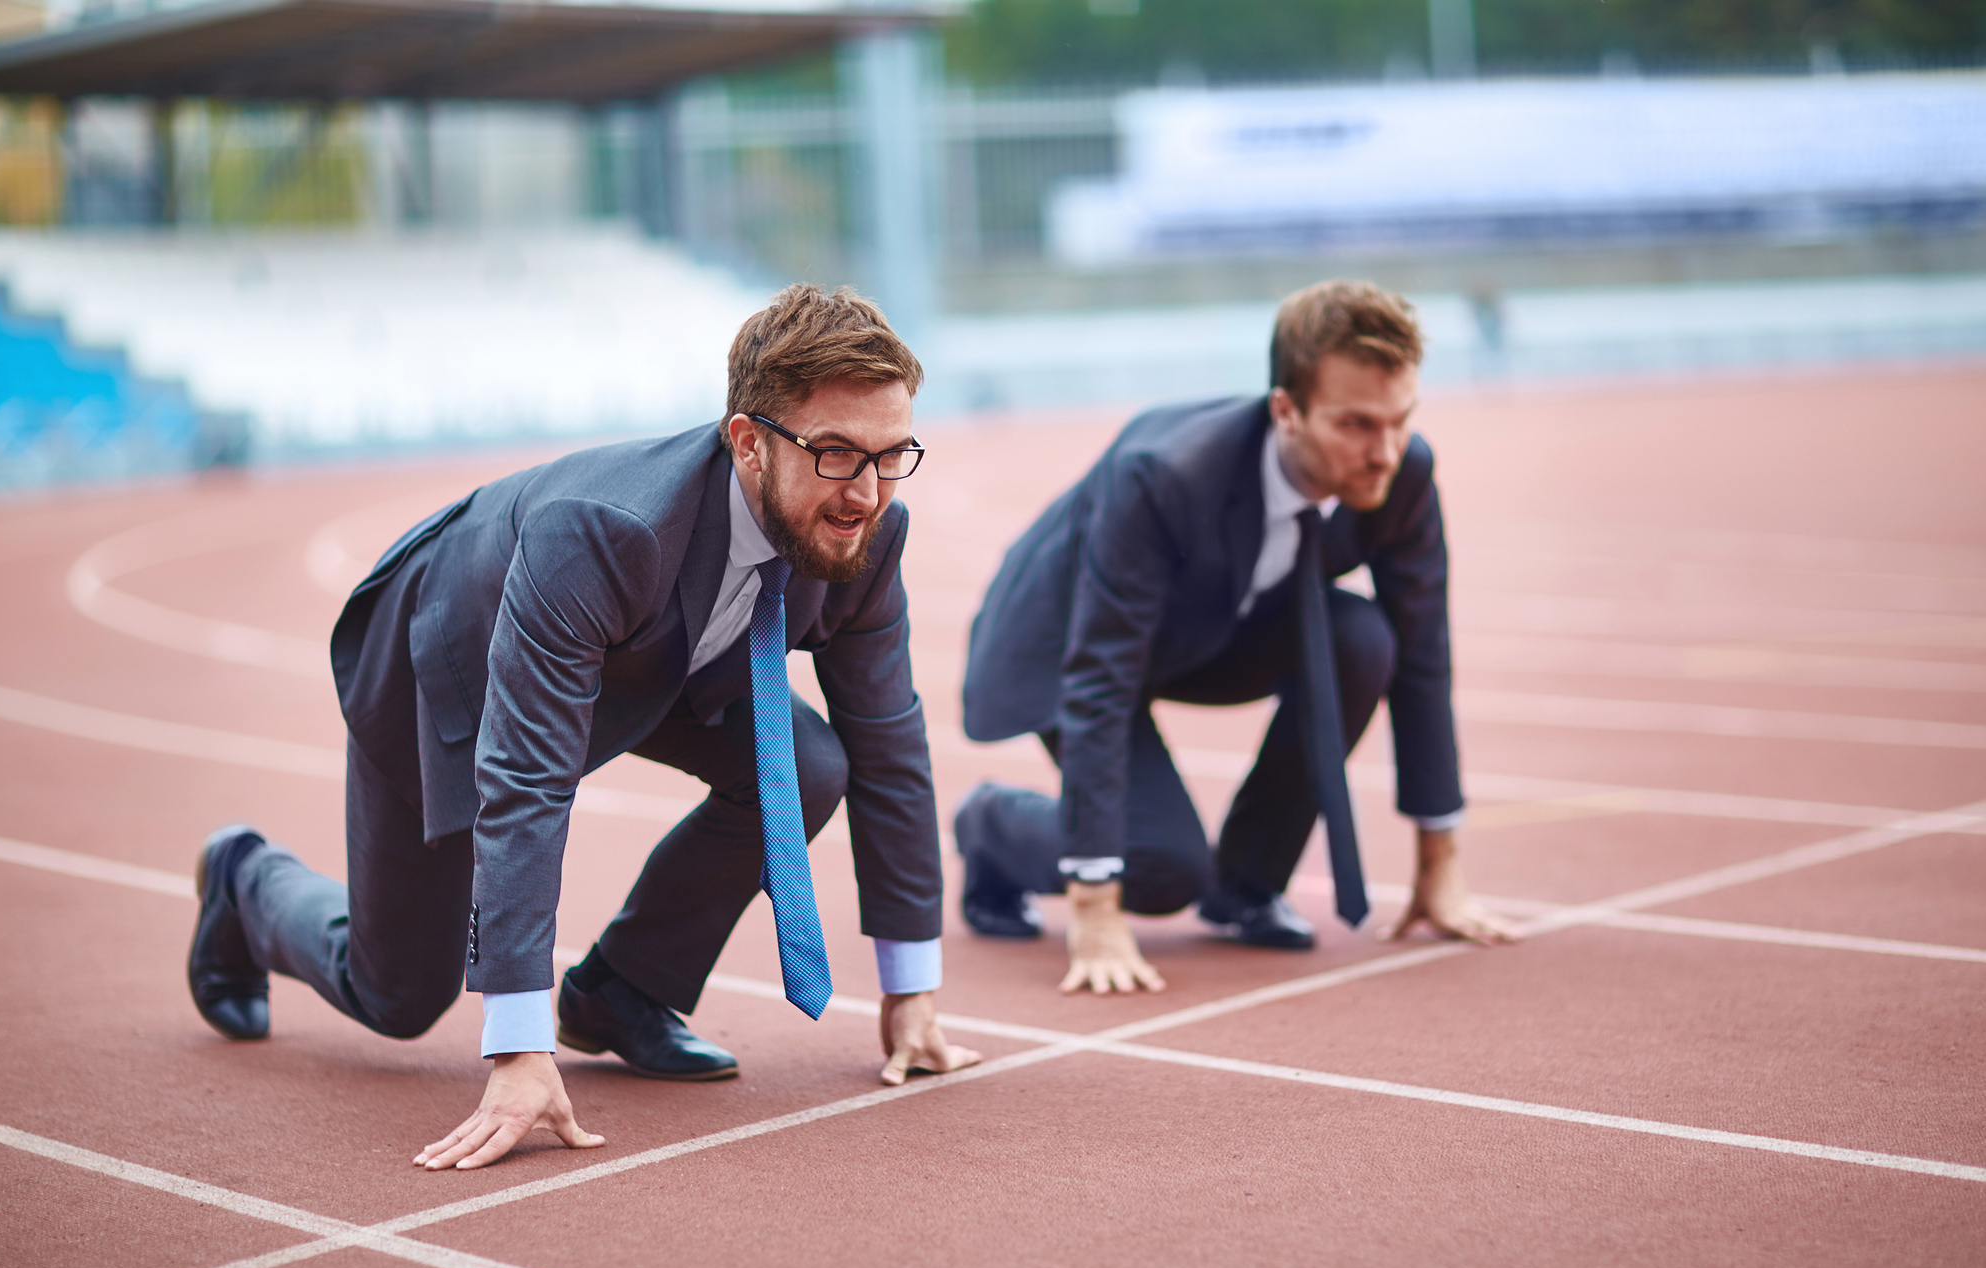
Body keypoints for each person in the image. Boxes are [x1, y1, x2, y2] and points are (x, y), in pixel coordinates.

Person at [186, 285, 981, 1169]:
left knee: (811, 764)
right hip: (445, 666)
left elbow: (890, 744)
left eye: (891, 454)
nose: (866, 493)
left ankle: (619, 992)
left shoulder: (867, 533)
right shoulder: (603, 531)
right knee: (398, 993)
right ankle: (245, 883)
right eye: (835, 454)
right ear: (748, 442)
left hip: (657, 659)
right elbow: (528, 774)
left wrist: (912, 992)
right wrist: (518, 1049)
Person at [956, 279, 1513, 995]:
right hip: (1070, 638)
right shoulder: (1162, 473)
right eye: (1354, 425)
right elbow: (1099, 673)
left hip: (1213, 621)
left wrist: (1439, 865)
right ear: (1285, 410)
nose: (1384, 451)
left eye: (1399, 420)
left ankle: (1246, 884)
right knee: (1155, 868)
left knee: (1366, 639)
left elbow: (1424, 652)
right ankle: (992, 826)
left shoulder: (1399, 470)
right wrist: (1095, 905)